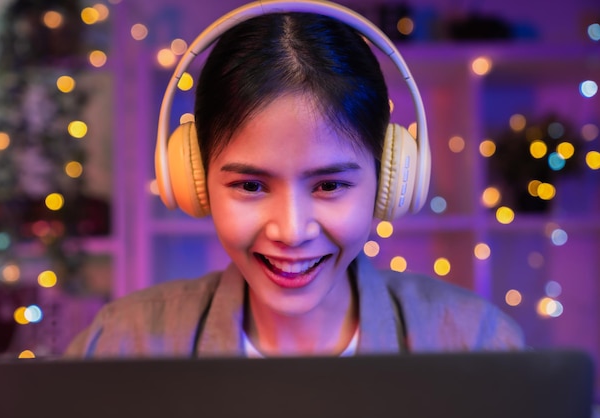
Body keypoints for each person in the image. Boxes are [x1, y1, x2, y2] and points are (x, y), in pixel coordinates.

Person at [65, 3, 524, 358]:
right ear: (193, 178)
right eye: (250, 186)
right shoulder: (120, 344)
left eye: (329, 186)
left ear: (390, 177)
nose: (290, 231)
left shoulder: (476, 342)